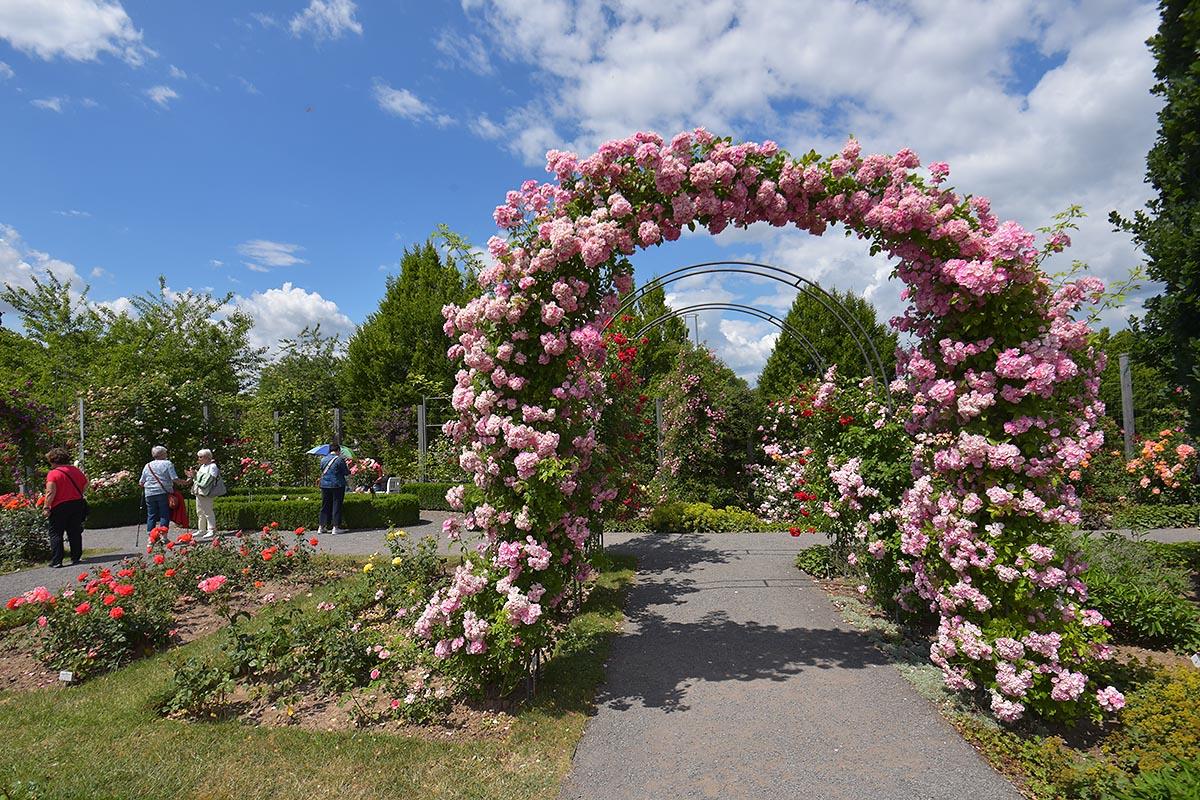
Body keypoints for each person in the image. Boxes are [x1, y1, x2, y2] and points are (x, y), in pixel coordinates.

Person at [43, 448, 88, 568]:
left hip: (59, 505)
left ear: (53, 461)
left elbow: (50, 492)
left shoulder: (53, 473)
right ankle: (76, 557)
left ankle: (57, 560)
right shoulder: (76, 471)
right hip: (77, 503)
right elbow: (85, 485)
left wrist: (46, 507)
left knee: (56, 532)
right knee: (74, 531)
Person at [139, 445, 187, 532]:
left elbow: (141, 482)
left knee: (151, 515)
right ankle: (163, 536)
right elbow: (174, 478)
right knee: (164, 514)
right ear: (161, 454)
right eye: (165, 453)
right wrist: (185, 482)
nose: (166, 455)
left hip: (149, 493)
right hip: (163, 493)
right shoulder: (167, 463)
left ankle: (151, 537)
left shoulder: (147, 465)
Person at [186, 448, 220, 540]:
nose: (199, 459)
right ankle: (201, 529)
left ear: (207, 457)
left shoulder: (212, 466)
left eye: (200, 457)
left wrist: (196, 476)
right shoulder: (203, 466)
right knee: (200, 511)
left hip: (207, 492)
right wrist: (193, 475)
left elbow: (208, 480)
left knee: (208, 511)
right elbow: (198, 479)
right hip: (199, 491)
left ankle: (211, 529)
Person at [318, 440, 350, 534]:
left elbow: (322, 469)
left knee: (325, 505)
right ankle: (335, 527)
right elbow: (345, 472)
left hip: (324, 485)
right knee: (336, 505)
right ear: (338, 450)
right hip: (337, 485)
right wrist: (347, 467)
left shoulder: (323, 459)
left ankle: (321, 526)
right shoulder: (339, 460)